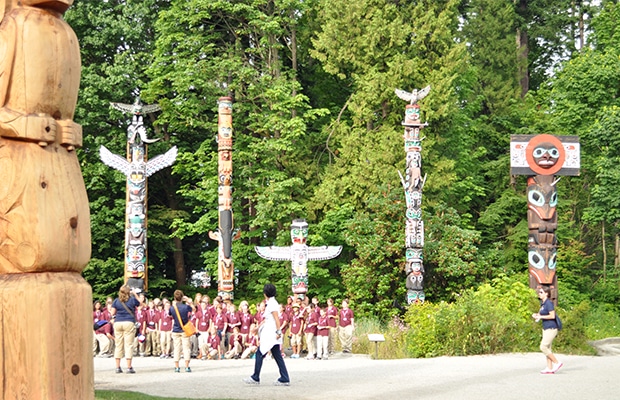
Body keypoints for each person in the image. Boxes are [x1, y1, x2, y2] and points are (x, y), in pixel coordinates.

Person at [243, 283, 290, 386]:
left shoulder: (272, 304)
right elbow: (267, 319)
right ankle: (284, 377)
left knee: (260, 353)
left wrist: (278, 331)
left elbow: (276, 319)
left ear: (265, 294)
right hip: (270, 331)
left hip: (271, 332)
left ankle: (255, 377)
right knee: (277, 355)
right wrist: (258, 327)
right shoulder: (271, 302)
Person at [111, 285, 143, 374]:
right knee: (128, 345)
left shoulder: (116, 301)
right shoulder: (132, 299)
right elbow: (140, 303)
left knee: (118, 344)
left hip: (118, 322)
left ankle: (117, 367)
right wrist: (135, 294)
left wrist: (114, 318)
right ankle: (129, 367)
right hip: (129, 322)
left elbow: (112, 312)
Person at [532, 286, 563, 374]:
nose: (539, 294)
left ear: (546, 294)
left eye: (541, 292)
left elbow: (552, 316)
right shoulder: (543, 304)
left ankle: (557, 363)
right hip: (545, 327)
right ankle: (549, 368)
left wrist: (541, 316)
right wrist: (537, 315)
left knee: (543, 346)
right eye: (539, 292)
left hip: (551, 327)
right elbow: (541, 314)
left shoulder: (549, 303)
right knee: (548, 348)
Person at [169, 290, 195, 373]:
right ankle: (187, 366)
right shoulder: (185, 307)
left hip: (176, 329)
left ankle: (177, 367)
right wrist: (189, 301)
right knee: (186, 348)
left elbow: (170, 315)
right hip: (184, 329)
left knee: (177, 348)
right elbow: (194, 309)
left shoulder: (172, 308)